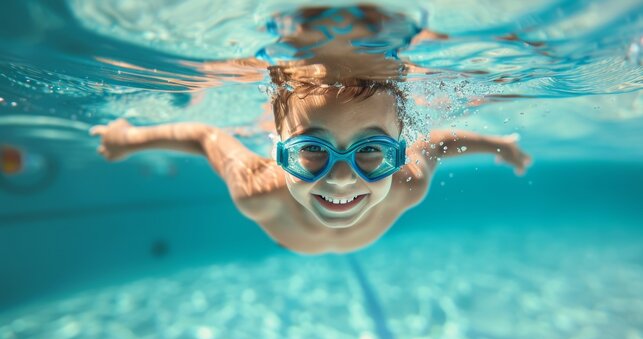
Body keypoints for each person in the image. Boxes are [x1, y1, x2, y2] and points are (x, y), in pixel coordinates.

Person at [90, 6, 531, 254]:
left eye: (373, 152)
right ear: (278, 146)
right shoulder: (258, 193)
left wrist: (497, 145)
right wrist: (128, 139)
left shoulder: (406, 185)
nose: (341, 178)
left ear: (396, 149)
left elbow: (434, 144)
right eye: (311, 150)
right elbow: (206, 138)